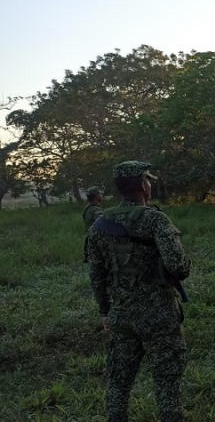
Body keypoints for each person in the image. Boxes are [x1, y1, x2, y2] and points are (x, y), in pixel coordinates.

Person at [86, 161, 192, 422]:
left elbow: (96, 276)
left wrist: (105, 311)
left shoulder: (99, 224)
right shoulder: (155, 219)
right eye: (149, 180)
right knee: (167, 380)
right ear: (143, 186)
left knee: (118, 380)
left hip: (120, 314)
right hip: (158, 313)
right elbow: (179, 267)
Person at [83, 186, 104, 263]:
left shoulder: (87, 209)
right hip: (97, 243)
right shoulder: (96, 209)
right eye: (100, 194)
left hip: (90, 241)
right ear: (96, 196)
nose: (102, 195)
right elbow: (103, 224)